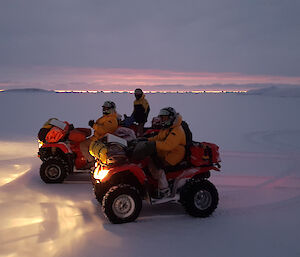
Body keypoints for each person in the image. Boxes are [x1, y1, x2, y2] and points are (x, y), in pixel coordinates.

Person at [147, 107, 186, 198]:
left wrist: (153, 144)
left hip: (174, 155)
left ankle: (164, 190)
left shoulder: (177, 130)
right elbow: (158, 138)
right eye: (161, 117)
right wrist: (146, 140)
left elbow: (168, 145)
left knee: (157, 166)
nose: (162, 120)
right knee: (148, 159)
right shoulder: (167, 128)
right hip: (167, 152)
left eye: (164, 118)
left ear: (171, 117)